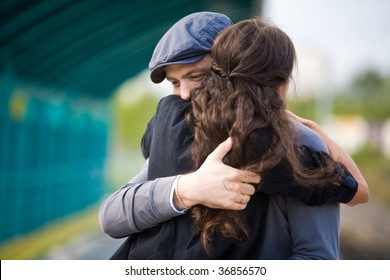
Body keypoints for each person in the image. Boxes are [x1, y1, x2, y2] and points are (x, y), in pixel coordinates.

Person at [99, 12, 369, 259]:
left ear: (229, 66)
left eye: (197, 76)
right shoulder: (178, 126)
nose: (183, 95)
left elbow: (317, 256)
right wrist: (187, 189)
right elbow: (112, 215)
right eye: (175, 83)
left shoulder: (294, 139)